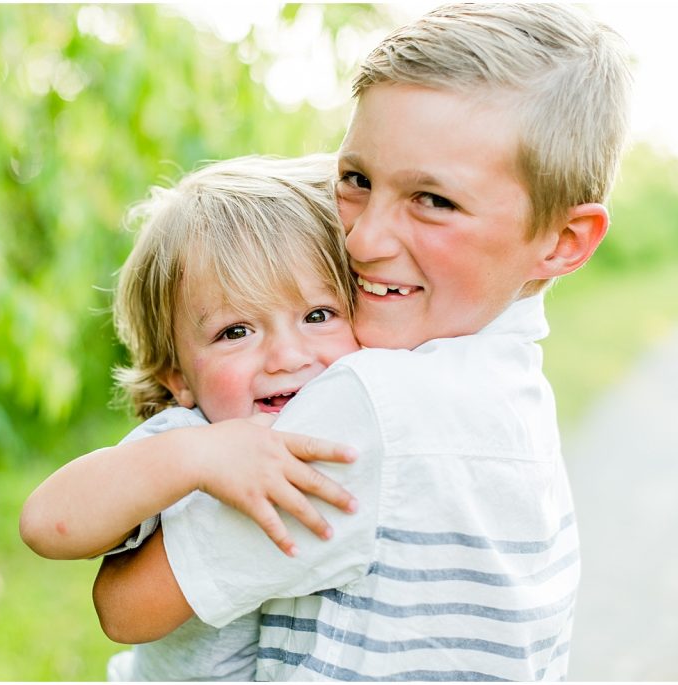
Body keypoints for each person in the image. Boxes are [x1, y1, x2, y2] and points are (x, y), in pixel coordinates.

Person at [89, 3, 634, 681]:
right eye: (357, 180)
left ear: (563, 241)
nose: (363, 239)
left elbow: (125, 603)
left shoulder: (371, 411)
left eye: (434, 200)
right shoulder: (512, 396)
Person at [19, 153, 364, 680]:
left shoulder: (361, 418)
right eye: (236, 331)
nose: (288, 356)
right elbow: (46, 524)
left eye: (318, 315)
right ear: (177, 375)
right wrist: (198, 458)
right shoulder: (195, 437)